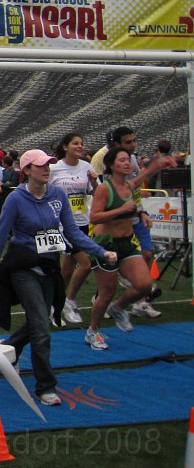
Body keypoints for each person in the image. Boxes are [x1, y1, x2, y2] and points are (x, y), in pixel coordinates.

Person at [0, 149, 117, 406]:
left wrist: (100, 252)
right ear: (27, 170)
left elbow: (73, 232)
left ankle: (11, 347)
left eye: (49, 165)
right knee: (41, 325)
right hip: (22, 267)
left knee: (39, 320)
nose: (47, 169)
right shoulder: (16, 199)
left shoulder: (57, 195)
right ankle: (45, 386)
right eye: (40, 166)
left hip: (49, 266)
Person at [84, 146, 160, 349]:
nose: (128, 163)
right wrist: (120, 210)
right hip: (106, 244)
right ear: (111, 165)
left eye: (128, 160)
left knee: (144, 284)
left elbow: (143, 176)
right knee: (106, 291)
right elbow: (94, 217)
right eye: (122, 160)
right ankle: (93, 331)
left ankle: (118, 308)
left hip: (126, 243)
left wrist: (140, 213)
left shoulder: (130, 184)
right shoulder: (104, 188)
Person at [49, 133, 99, 325]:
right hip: (64, 224)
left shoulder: (86, 166)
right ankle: (69, 301)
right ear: (65, 147)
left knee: (67, 269)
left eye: (81, 143)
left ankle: (55, 303)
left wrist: (94, 181)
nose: (80, 146)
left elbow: (95, 191)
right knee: (86, 264)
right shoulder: (54, 168)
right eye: (75, 143)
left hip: (82, 221)